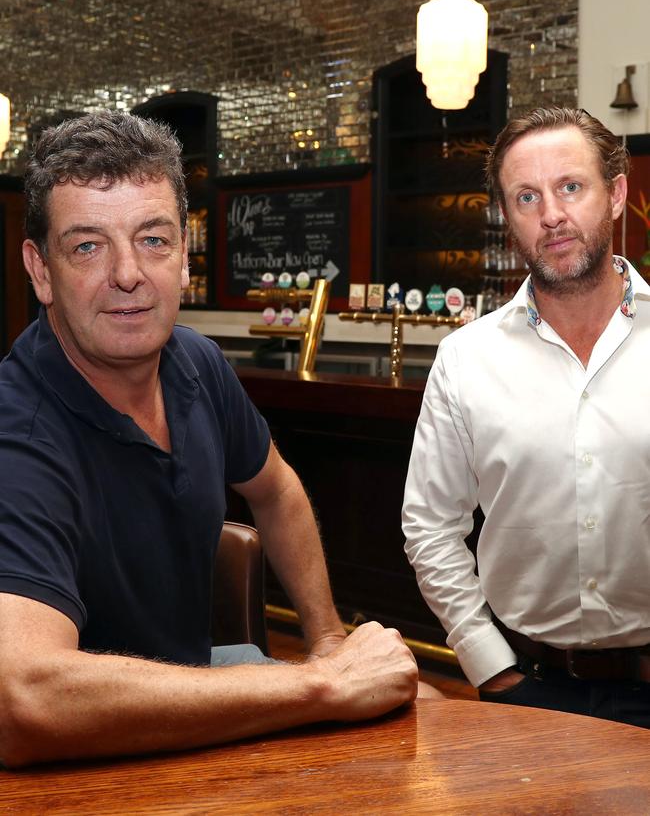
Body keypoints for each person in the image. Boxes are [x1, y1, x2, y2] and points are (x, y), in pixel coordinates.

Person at [0, 110, 422, 768]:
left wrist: (328, 638)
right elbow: (22, 700)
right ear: (40, 269)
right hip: (81, 766)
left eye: (154, 240)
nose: (128, 274)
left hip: (202, 720)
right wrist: (322, 682)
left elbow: (277, 490)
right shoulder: (17, 433)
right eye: (87, 245)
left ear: (184, 258)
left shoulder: (195, 361)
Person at [402, 106, 650, 727]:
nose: (552, 216)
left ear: (616, 195)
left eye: (571, 187)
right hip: (526, 689)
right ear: (508, 217)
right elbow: (431, 527)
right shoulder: (466, 359)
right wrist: (494, 670)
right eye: (526, 197)